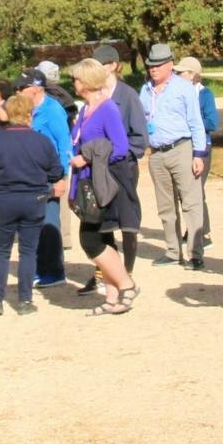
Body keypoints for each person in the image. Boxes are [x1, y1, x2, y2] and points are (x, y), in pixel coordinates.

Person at [0, 79, 66, 315]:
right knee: (28, 250)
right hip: (33, 200)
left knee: (1, 250)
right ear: (29, 116)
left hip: (5, 199)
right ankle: (25, 301)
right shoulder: (41, 141)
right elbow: (56, 171)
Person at [67, 58, 139, 315]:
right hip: (85, 183)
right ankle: (112, 298)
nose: (73, 82)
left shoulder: (107, 109)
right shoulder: (86, 108)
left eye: (75, 78)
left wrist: (88, 157)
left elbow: (120, 148)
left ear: (85, 82)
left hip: (99, 185)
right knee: (105, 237)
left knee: (90, 239)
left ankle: (126, 285)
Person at [138, 43, 210, 270]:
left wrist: (198, 154)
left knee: (191, 203)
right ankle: (172, 251)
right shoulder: (145, 90)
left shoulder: (183, 88)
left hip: (182, 149)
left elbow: (196, 122)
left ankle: (195, 253)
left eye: (158, 65)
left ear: (170, 65)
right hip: (157, 153)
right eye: (151, 65)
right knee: (165, 206)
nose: (153, 69)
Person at [90, 44, 148, 282]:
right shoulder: (94, 95)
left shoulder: (128, 95)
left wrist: (123, 158)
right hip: (99, 169)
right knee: (101, 219)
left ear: (113, 66)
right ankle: (104, 271)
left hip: (123, 167)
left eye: (102, 65)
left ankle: (128, 272)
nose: (98, 69)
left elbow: (140, 137)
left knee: (127, 219)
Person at [23, 72, 73, 289]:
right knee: (34, 223)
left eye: (21, 87)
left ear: (35, 88)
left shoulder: (52, 110)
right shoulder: (29, 109)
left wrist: (61, 177)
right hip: (30, 176)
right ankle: (38, 268)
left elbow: (64, 144)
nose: (18, 92)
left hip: (49, 176)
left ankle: (54, 271)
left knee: (50, 222)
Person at [177, 56, 219, 255]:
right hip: (183, 148)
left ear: (193, 75)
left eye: (182, 72)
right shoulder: (178, 94)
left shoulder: (205, 95)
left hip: (202, 147)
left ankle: (205, 232)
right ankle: (192, 229)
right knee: (184, 191)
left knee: (196, 190)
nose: (178, 75)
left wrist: (191, 122)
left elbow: (212, 122)